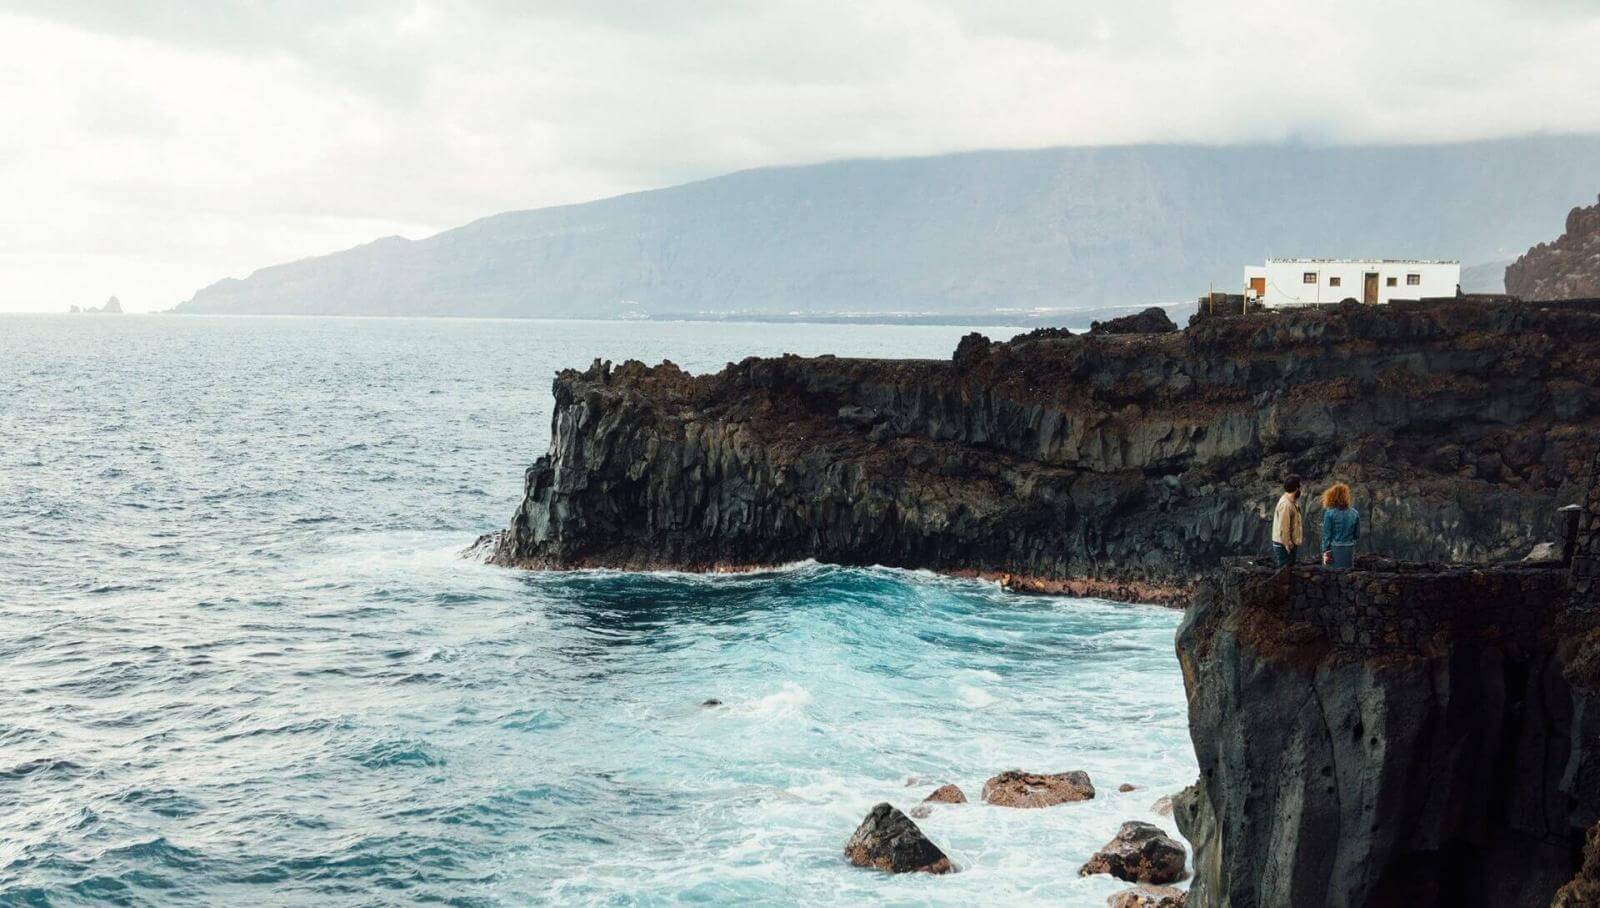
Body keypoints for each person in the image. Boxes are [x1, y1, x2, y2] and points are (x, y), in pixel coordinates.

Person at [1321, 482, 1360, 569]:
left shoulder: (1329, 513)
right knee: (1348, 577)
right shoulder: (1355, 513)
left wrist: (1325, 551)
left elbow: (1326, 536)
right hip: (1349, 550)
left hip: (1335, 550)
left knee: (1333, 576)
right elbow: (1357, 535)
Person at [1271, 476, 1303, 567]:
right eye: (1300, 487)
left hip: (1286, 544)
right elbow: (1283, 527)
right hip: (1284, 546)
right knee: (1284, 572)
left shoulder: (1291, 502)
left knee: (1288, 571)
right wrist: (1288, 544)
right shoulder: (1286, 504)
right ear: (1296, 488)